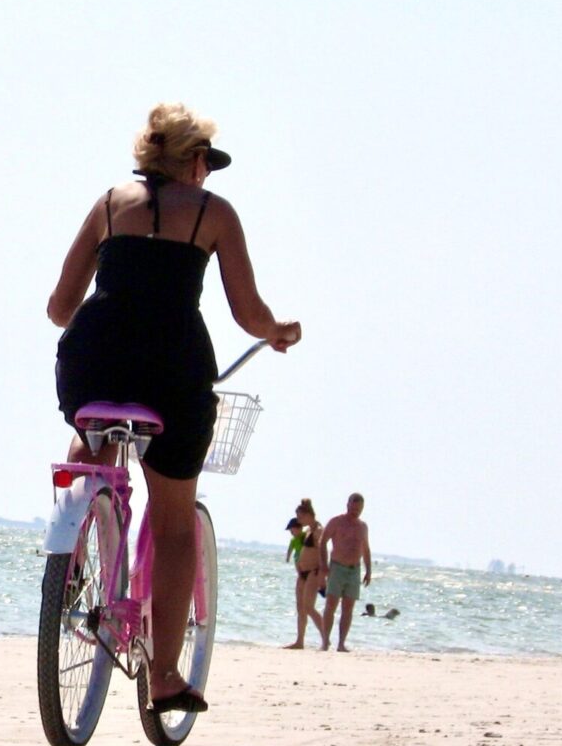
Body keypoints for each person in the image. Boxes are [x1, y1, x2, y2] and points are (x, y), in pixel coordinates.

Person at [49, 102, 300, 713]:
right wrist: (276, 331)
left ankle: (80, 523)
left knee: (94, 424)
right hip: (171, 370)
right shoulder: (214, 213)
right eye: (206, 164)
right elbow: (247, 311)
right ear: (191, 161)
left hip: (95, 358)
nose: (207, 175)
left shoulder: (109, 202)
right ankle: (163, 674)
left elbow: (60, 306)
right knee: (172, 520)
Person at [319, 492, 372, 651]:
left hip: (354, 569)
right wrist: (324, 565)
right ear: (347, 505)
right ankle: (325, 641)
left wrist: (368, 570)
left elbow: (366, 549)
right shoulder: (337, 522)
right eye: (353, 507)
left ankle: (341, 643)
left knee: (348, 608)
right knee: (331, 605)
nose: (355, 511)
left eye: (359, 509)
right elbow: (323, 542)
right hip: (337, 567)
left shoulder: (362, 526)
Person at [284, 499, 326, 650]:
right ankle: (299, 640)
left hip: (313, 572)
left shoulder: (318, 530)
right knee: (300, 608)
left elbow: (322, 552)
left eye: (301, 517)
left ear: (308, 515)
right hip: (302, 573)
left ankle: (325, 639)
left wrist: (322, 574)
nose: (299, 521)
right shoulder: (307, 531)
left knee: (309, 607)